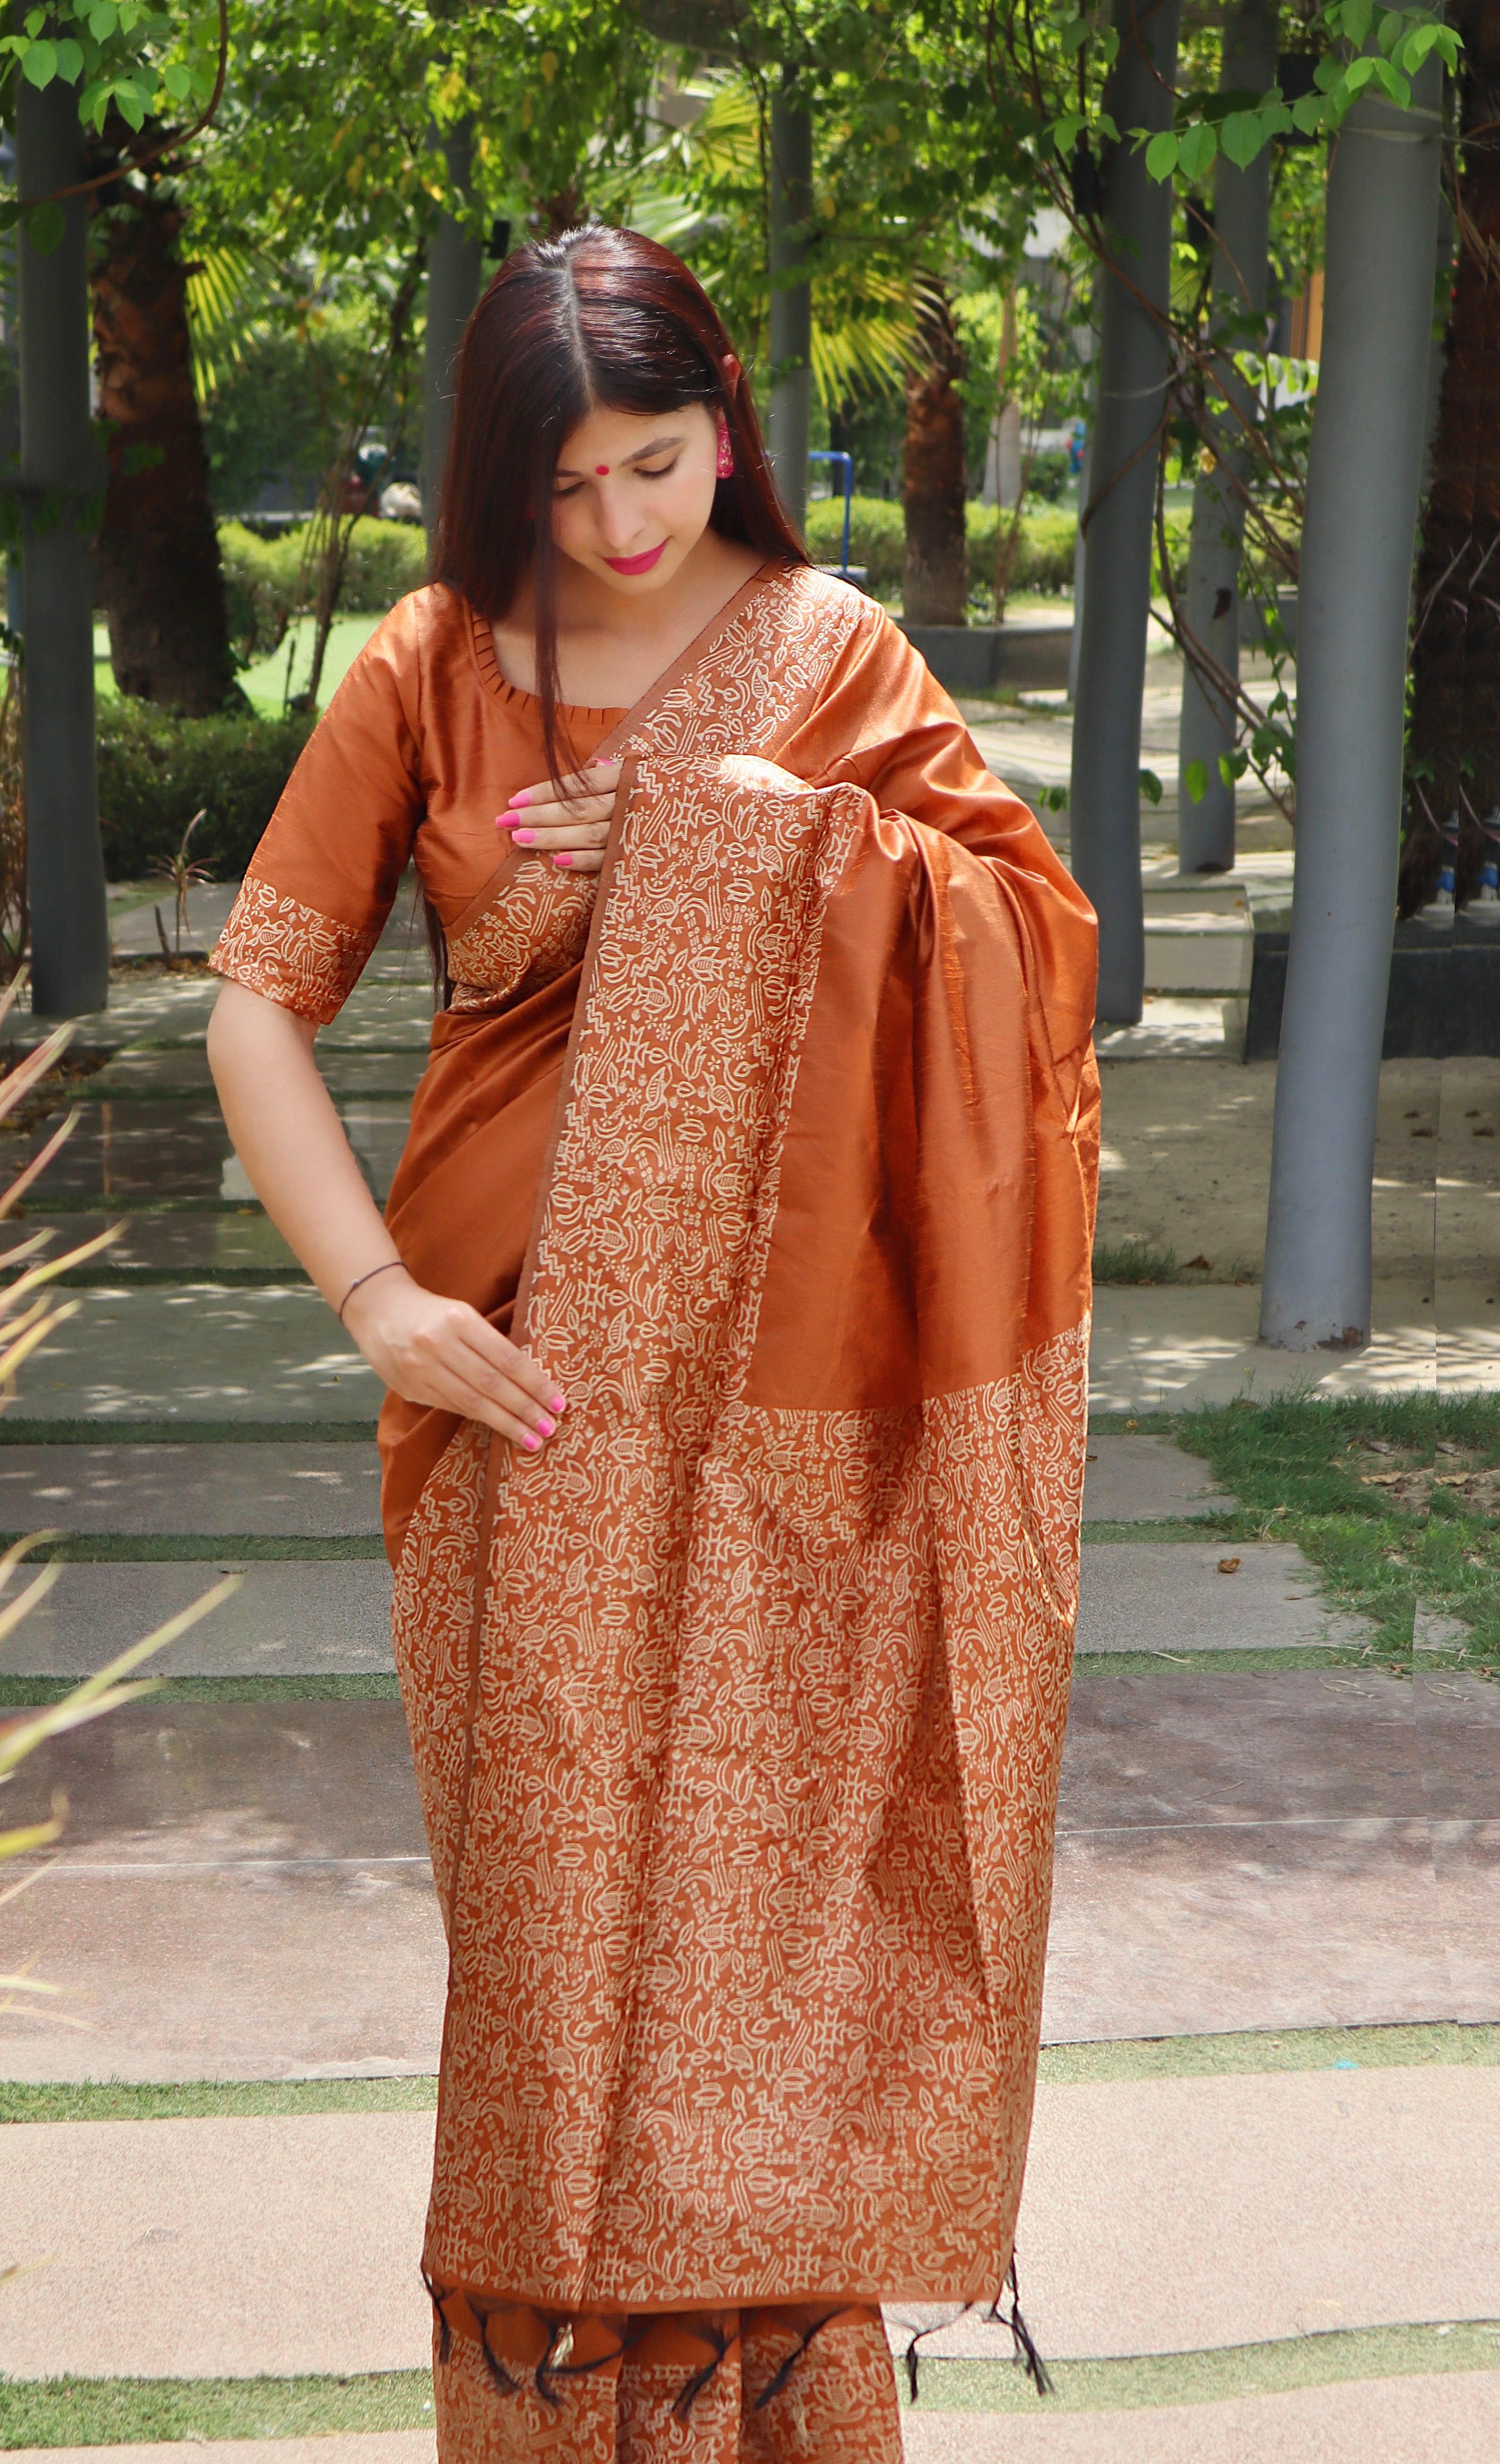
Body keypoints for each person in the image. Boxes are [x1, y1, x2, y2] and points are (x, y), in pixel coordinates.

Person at [205, 226, 1099, 2464]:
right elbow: (256, 996)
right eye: (573, 484)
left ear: (730, 429)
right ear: (499, 481)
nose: (622, 526)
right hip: (521, 1411)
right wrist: (379, 1303)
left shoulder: (831, 651)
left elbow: (1038, 948)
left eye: (663, 462)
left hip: (801, 1423)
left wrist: (772, 839)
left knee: (757, 1952)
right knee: (550, 1966)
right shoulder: (429, 665)